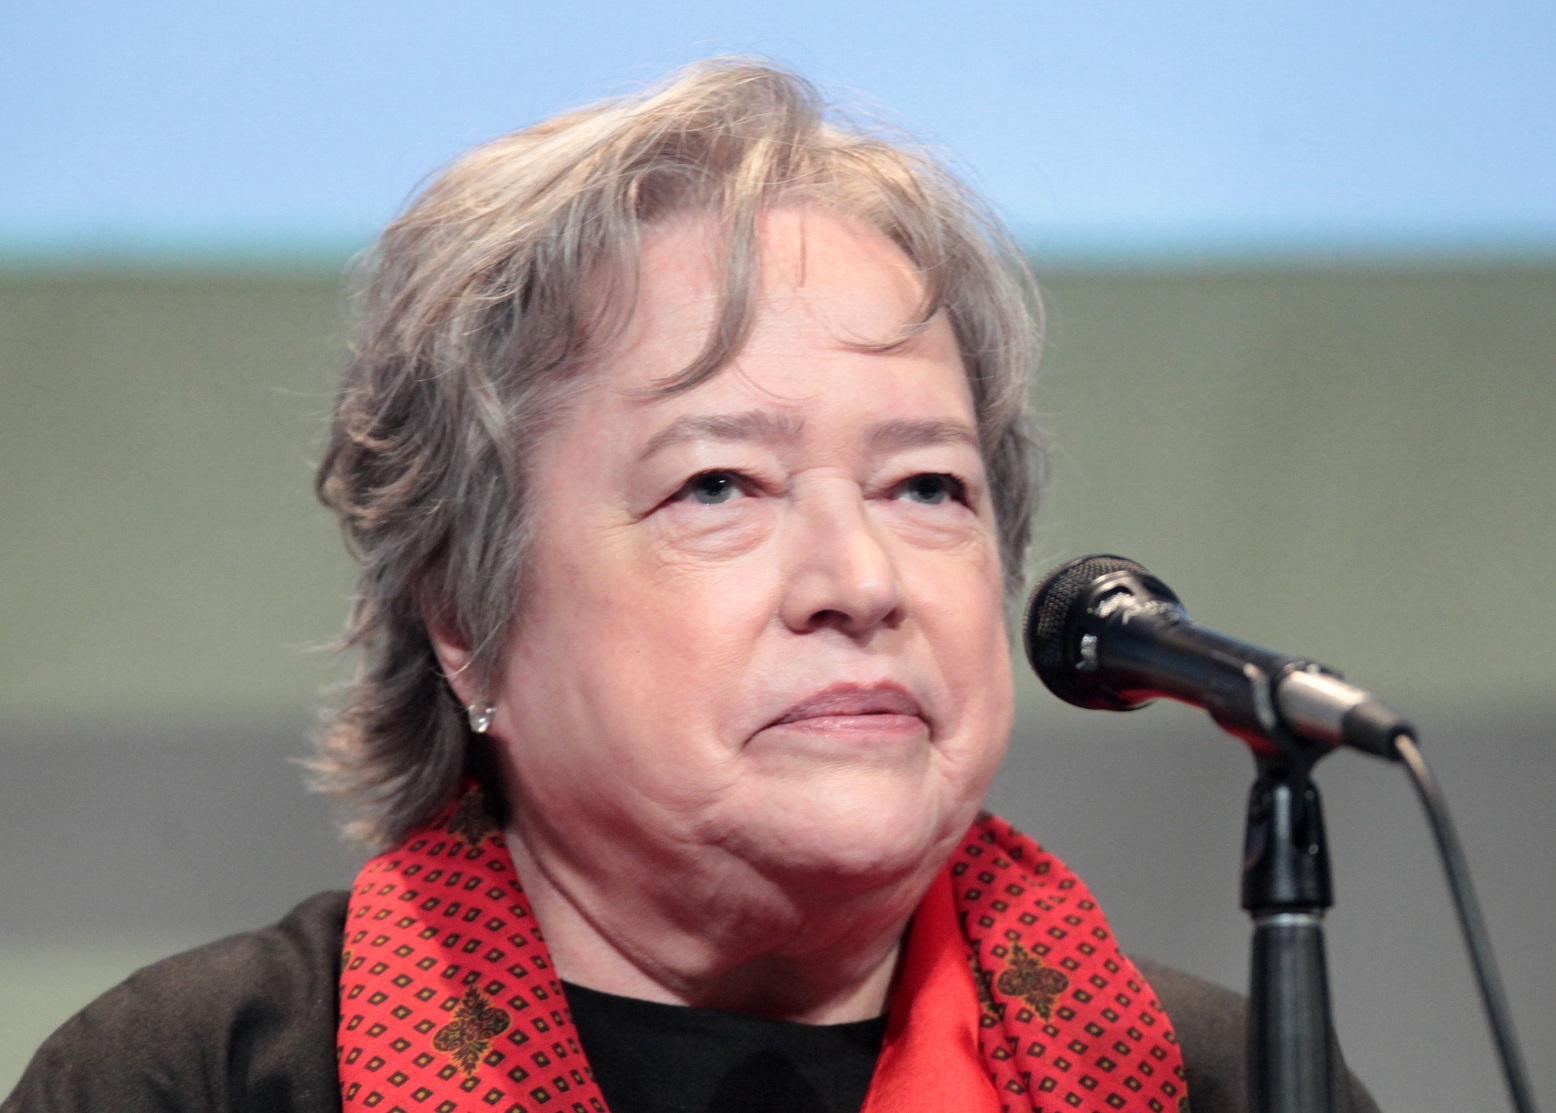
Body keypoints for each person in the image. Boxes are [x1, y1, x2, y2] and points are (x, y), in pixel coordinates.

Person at [4, 59, 1376, 1113]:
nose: (859, 580)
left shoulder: (1210, 1082)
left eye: (926, 488)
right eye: (719, 485)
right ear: (468, 616)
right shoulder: (202, 1080)